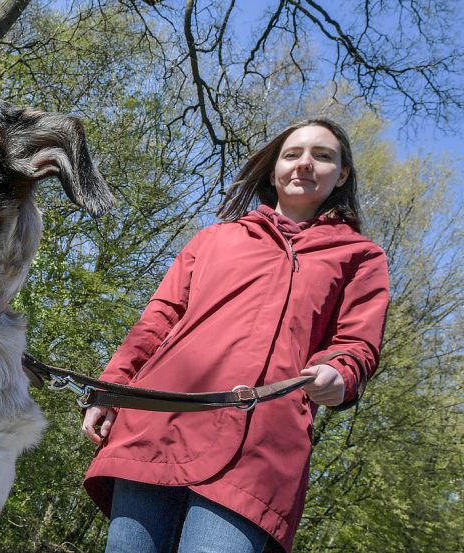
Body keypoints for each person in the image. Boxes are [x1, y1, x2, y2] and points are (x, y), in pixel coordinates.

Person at [81, 119, 390, 553]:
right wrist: (109, 390)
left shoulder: (360, 257)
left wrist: (339, 373)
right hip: (157, 421)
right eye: (292, 154)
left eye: (322, 156)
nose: (304, 164)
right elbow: (158, 318)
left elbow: (357, 344)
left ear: (341, 175)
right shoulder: (214, 239)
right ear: (273, 170)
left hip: (260, 448)